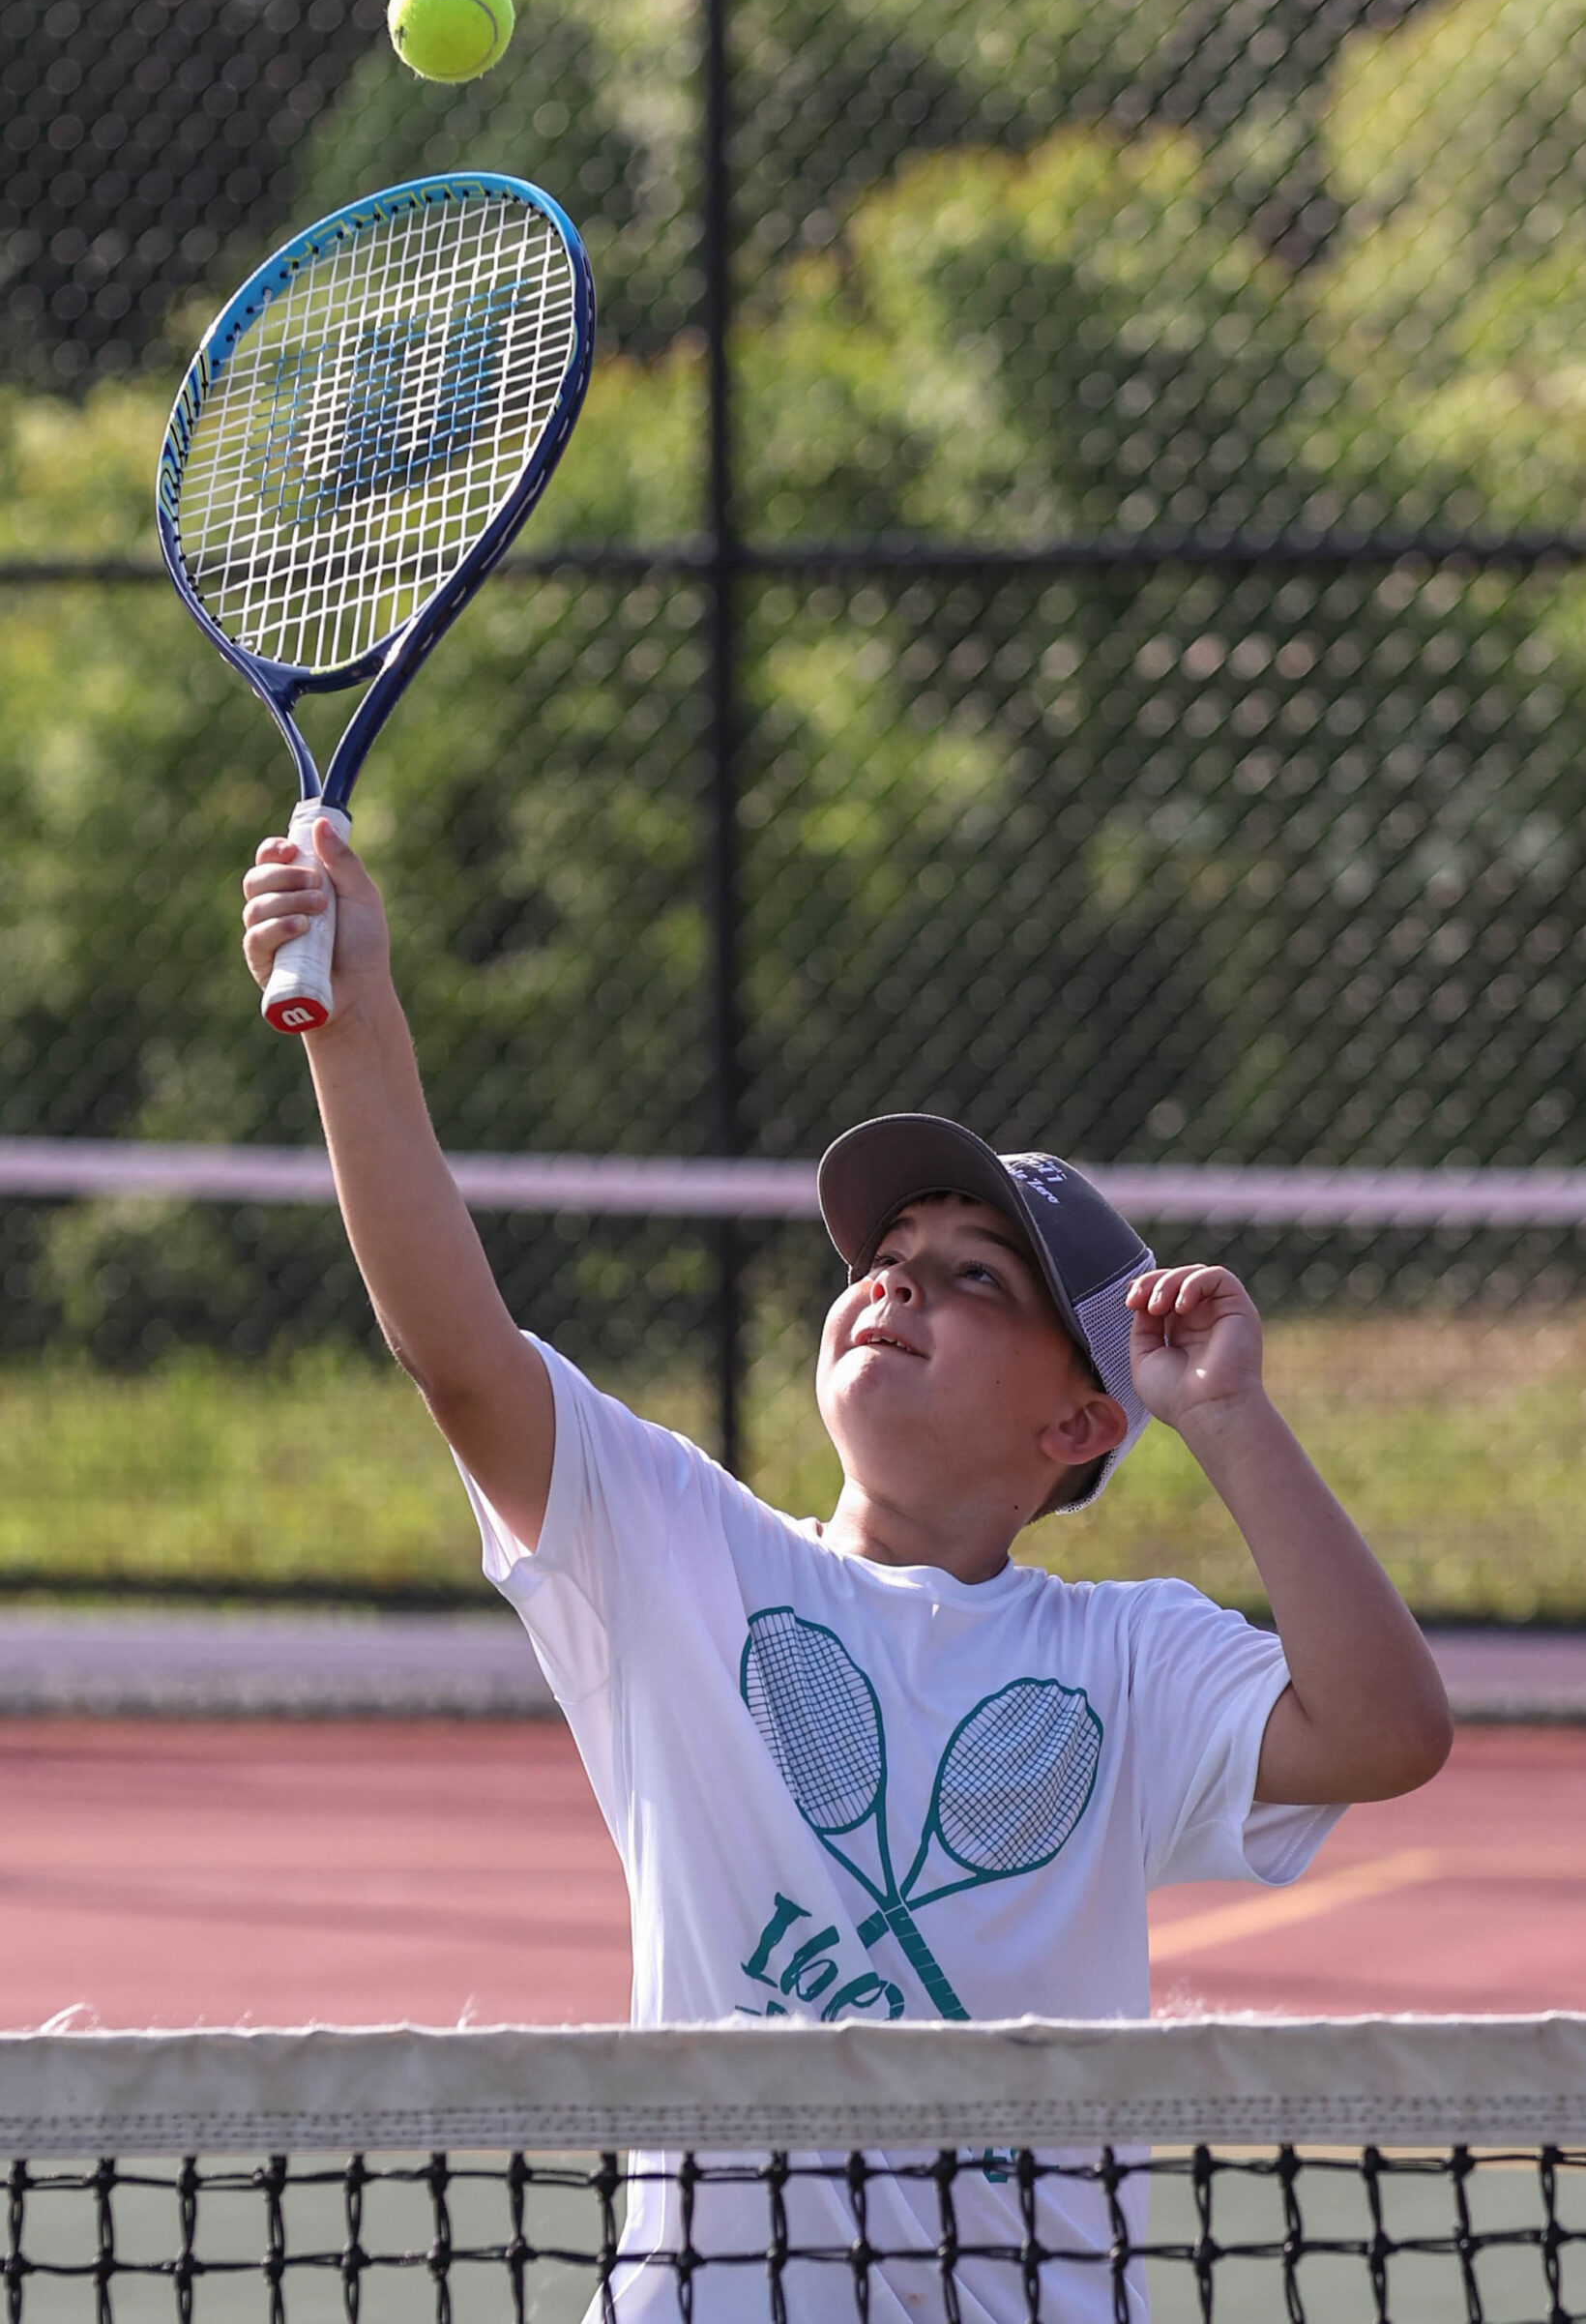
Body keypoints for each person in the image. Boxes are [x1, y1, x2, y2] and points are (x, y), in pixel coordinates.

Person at [241, 819, 1454, 2323]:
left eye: (973, 1275)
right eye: (887, 1254)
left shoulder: (1131, 1660)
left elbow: (1390, 1732)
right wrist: (354, 1015)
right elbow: (461, 1356)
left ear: (1079, 1421)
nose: (896, 1281)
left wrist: (1229, 1418)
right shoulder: (682, 1557)